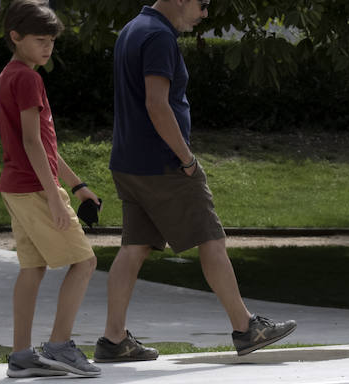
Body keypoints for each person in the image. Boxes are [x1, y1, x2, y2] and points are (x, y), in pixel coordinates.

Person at [103, 0, 295, 361]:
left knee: (134, 247)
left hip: (128, 162)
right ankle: (246, 327)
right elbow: (157, 104)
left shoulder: (132, 29)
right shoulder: (159, 36)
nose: (205, 13)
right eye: (203, 4)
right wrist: (187, 160)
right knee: (211, 238)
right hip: (163, 165)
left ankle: (113, 340)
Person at [0, 0, 102, 379]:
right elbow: (31, 142)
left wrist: (77, 186)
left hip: (17, 187)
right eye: (40, 40)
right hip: (35, 188)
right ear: (15, 37)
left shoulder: (10, 74)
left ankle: (22, 355)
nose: (47, 48)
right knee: (85, 262)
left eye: (51, 41)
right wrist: (55, 196)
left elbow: (45, 144)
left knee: (33, 268)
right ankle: (59, 345)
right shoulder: (27, 78)